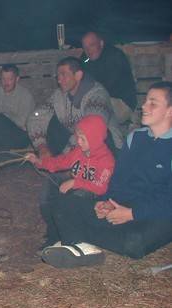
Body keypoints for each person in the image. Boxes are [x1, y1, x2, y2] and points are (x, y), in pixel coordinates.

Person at [41, 82, 172, 268]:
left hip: (159, 212)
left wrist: (132, 214)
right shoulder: (136, 138)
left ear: (169, 111)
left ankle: (77, 240)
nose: (144, 106)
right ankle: (83, 248)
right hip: (126, 205)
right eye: (146, 101)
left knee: (134, 244)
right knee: (64, 204)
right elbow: (119, 179)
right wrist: (107, 201)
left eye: (153, 103)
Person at [26, 115, 115, 247]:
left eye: (83, 139)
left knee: (73, 197)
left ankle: (71, 239)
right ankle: (54, 232)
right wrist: (39, 162)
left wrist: (75, 182)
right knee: (50, 187)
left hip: (92, 199)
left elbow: (100, 187)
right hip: (77, 189)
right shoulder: (79, 151)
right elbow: (60, 162)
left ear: (95, 139)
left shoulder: (106, 160)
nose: (78, 141)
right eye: (78, 137)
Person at [27, 56, 123, 157]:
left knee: (93, 130)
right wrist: (42, 147)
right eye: (58, 76)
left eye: (63, 75)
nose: (59, 80)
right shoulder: (59, 95)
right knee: (52, 122)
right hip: (74, 145)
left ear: (78, 75)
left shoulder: (97, 96)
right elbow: (36, 117)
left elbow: (89, 132)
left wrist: (64, 157)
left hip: (105, 149)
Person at [81, 31, 139, 136]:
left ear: (101, 43)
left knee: (94, 111)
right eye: (85, 47)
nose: (88, 50)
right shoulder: (86, 58)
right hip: (100, 100)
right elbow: (82, 63)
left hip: (122, 103)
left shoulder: (114, 56)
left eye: (92, 45)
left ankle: (114, 143)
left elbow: (107, 87)